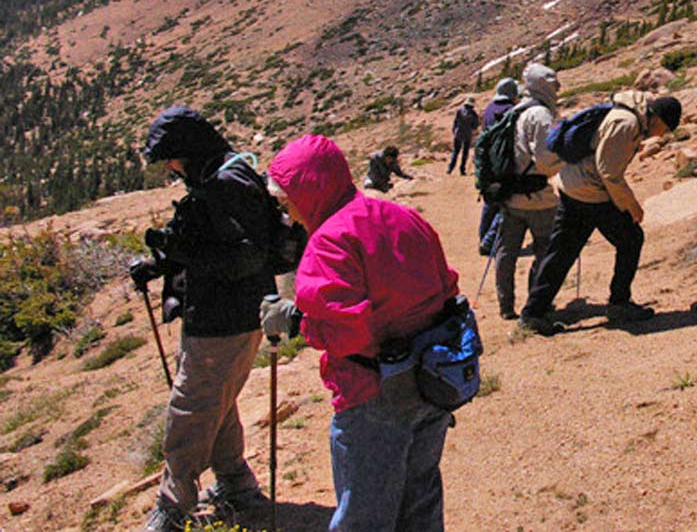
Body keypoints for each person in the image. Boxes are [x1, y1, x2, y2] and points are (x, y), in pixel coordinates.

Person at [259, 135, 460, 532]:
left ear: (309, 191)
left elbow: (346, 333)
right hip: (433, 377)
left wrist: (294, 319)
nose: (291, 215)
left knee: (365, 513)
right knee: (419, 497)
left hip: (372, 392)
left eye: (289, 202)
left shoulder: (329, 242)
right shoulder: (402, 216)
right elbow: (446, 287)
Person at [130, 107, 279, 532]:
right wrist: (161, 261)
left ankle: (173, 506)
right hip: (223, 313)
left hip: (224, 318)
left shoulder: (226, 183)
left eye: (171, 158)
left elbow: (244, 257)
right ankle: (235, 482)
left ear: (186, 150)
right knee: (218, 400)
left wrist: (181, 252)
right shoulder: (223, 175)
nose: (171, 168)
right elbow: (212, 243)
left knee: (190, 408)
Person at [520, 92, 682, 335]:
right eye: (665, 128)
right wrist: (631, 205)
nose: (661, 135)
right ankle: (619, 304)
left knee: (561, 252)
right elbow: (608, 172)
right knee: (631, 239)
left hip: (574, 187)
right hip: (590, 191)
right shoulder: (626, 123)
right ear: (658, 118)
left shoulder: (629, 117)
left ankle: (533, 313)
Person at [494, 64, 561, 319]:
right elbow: (545, 159)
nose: (557, 88)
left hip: (511, 195)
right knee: (545, 249)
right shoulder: (540, 114)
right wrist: (566, 160)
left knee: (506, 252)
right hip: (538, 198)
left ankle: (505, 306)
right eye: (553, 83)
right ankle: (537, 304)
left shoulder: (516, 111)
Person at [478, 78, 520, 255]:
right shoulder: (511, 111)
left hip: (486, 164)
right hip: (503, 163)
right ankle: (488, 241)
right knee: (505, 204)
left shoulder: (489, 109)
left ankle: (482, 237)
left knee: (489, 202)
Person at [447, 97, 479, 175]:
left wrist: (454, 130)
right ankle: (462, 169)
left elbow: (455, 122)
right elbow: (475, 125)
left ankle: (450, 168)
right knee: (465, 152)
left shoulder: (459, 110)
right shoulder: (473, 113)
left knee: (456, 151)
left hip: (458, 133)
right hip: (467, 134)